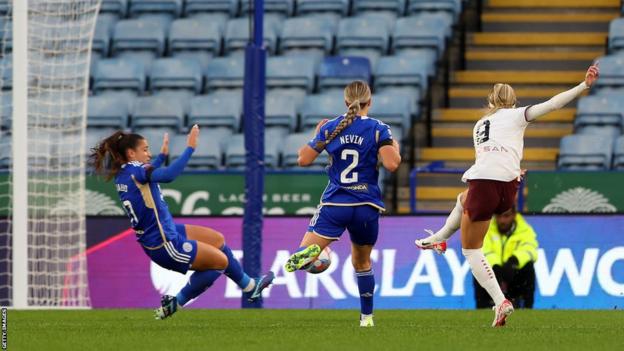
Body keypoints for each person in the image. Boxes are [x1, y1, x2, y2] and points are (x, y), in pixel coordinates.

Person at [415, 64, 599, 326]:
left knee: (470, 250)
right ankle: (440, 238)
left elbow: (488, 158)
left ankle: (500, 302)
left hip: (486, 182)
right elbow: (552, 104)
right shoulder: (518, 116)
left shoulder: (479, 125)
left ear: (491, 101)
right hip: (508, 190)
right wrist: (583, 86)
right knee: (463, 198)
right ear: (514, 101)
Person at [90, 125, 274, 319]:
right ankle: (176, 303)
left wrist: (161, 156)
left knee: (217, 239)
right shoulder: (138, 170)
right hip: (163, 243)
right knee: (221, 262)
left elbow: (149, 173)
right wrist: (190, 148)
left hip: (162, 233)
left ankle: (250, 286)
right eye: (144, 150)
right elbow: (167, 175)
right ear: (130, 153)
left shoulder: (125, 173)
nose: (149, 154)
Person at [283, 80, 402, 327]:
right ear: (370, 102)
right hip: (366, 206)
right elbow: (392, 164)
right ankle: (367, 318)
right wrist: (394, 148)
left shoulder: (331, 127)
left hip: (335, 204)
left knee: (303, 252)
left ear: (346, 102)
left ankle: (316, 252)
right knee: (362, 263)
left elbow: (303, 160)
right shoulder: (380, 129)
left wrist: (320, 136)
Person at [474, 206, 538, 309]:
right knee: (478, 268)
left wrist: (514, 260)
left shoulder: (525, 230)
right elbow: (482, 249)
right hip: (493, 273)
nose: (502, 220)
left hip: (514, 274)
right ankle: (481, 308)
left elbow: (530, 250)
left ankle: (527, 308)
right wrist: (495, 266)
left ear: (514, 215)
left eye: (506, 216)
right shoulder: (486, 229)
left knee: (528, 267)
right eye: (499, 216)